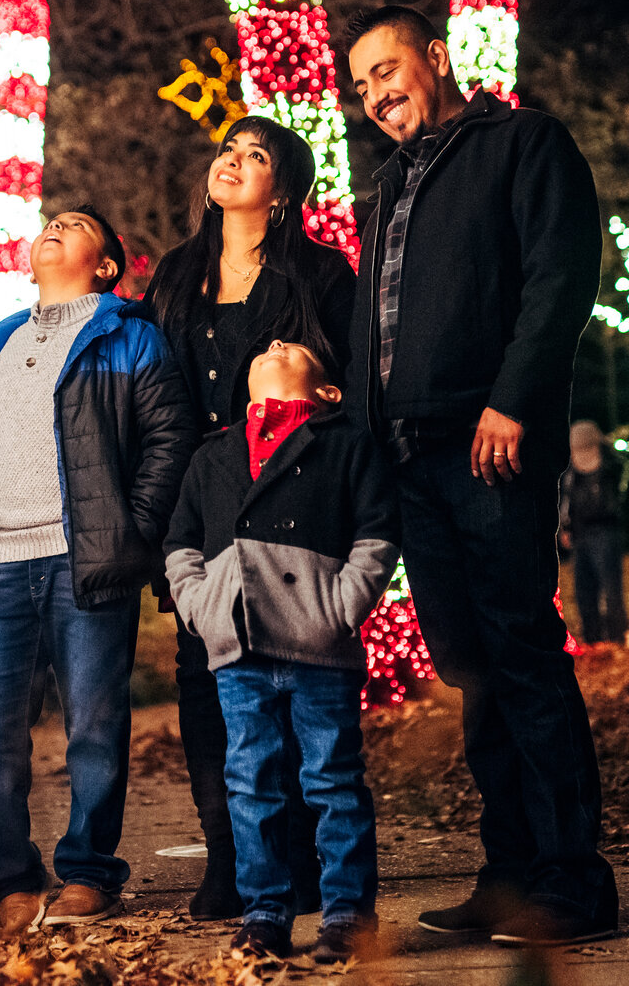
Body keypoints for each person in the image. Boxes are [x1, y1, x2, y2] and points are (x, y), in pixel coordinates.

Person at [343, 5, 618, 946]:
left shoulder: (521, 142)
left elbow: (559, 278)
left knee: (522, 653)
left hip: (488, 440)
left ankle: (575, 883)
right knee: (471, 666)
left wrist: (512, 399)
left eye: (389, 68)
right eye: (364, 83)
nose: (378, 93)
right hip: (411, 458)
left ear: (436, 57)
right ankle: (508, 879)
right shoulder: (386, 192)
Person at [0, 205, 196, 938]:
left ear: (108, 265)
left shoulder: (130, 335)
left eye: (76, 223)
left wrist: (133, 528)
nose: (55, 225)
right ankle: (10, 875)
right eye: (50, 220)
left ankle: (89, 871)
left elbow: (169, 436)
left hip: (85, 557)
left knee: (94, 719)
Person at [146, 115, 355, 920]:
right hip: (196, 503)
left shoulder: (319, 276)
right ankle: (231, 857)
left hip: (290, 499)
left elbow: (345, 393)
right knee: (205, 680)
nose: (232, 161)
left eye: (255, 154)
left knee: (297, 678)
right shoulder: (174, 275)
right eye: (228, 148)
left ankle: (300, 859)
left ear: (285, 191)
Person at [163, 340, 399, 964]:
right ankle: (264, 912)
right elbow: (181, 542)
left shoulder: (345, 443)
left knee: (332, 780)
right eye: (267, 344)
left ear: (327, 392)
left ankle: (348, 914)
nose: (273, 342)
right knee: (251, 783)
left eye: (294, 347)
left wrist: (340, 608)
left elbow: (376, 535)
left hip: (319, 642)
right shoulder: (215, 453)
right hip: (237, 643)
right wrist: (200, 606)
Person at [559, 421, 629, 648]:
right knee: (584, 590)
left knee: (610, 588)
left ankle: (617, 637)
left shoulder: (611, 467)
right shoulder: (570, 474)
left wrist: (608, 449)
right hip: (581, 535)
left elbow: (621, 481)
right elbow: (567, 501)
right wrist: (567, 528)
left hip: (605, 531)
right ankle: (593, 639)